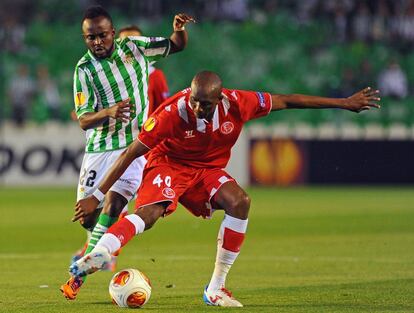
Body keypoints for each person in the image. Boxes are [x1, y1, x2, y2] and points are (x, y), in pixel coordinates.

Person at [69, 71, 380, 307]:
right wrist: (96, 196)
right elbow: (130, 154)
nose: (196, 108)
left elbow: (287, 101)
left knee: (240, 202)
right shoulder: (171, 114)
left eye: (204, 104)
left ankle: (215, 287)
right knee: (149, 215)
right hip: (168, 164)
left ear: (219, 100)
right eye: (193, 100)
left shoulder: (238, 102)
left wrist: (343, 103)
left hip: (205, 170)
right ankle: (101, 252)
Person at [60, 5, 195, 300]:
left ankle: (80, 274)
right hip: (99, 147)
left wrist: (179, 30)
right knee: (87, 217)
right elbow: (83, 119)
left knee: (114, 204)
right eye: (90, 38)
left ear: (112, 33)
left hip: (135, 144)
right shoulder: (83, 69)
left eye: (101, 36)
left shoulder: (133, 47)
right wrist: (108, 111)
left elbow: (175, 46)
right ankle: (102, 246)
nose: (96, 42)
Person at [118, 25, 170, 115]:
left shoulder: (154, 75)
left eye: (135, 43)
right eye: (125, 44)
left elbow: (163, 111)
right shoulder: (106, 73)